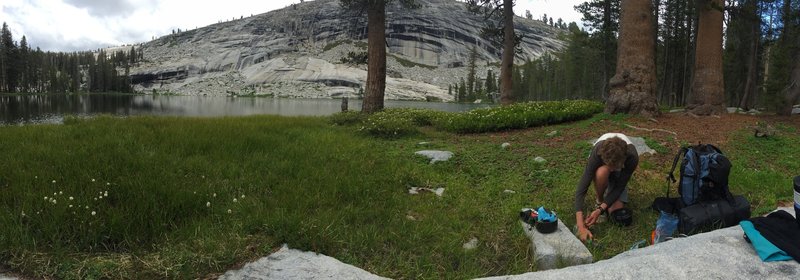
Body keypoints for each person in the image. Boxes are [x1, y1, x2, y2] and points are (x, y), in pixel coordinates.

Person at [574, 133, 639, 241]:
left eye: (615, 167)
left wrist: (600, 211)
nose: (612, 169)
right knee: (602, 172)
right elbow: (582, 187)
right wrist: (580, 226)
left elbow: (619, 187)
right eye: (611, 166)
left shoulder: (632, 157)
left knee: (615, 212)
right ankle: (599, 199)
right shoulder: (598, 151)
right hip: (603, 170)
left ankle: (603, 204)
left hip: (620, 175)